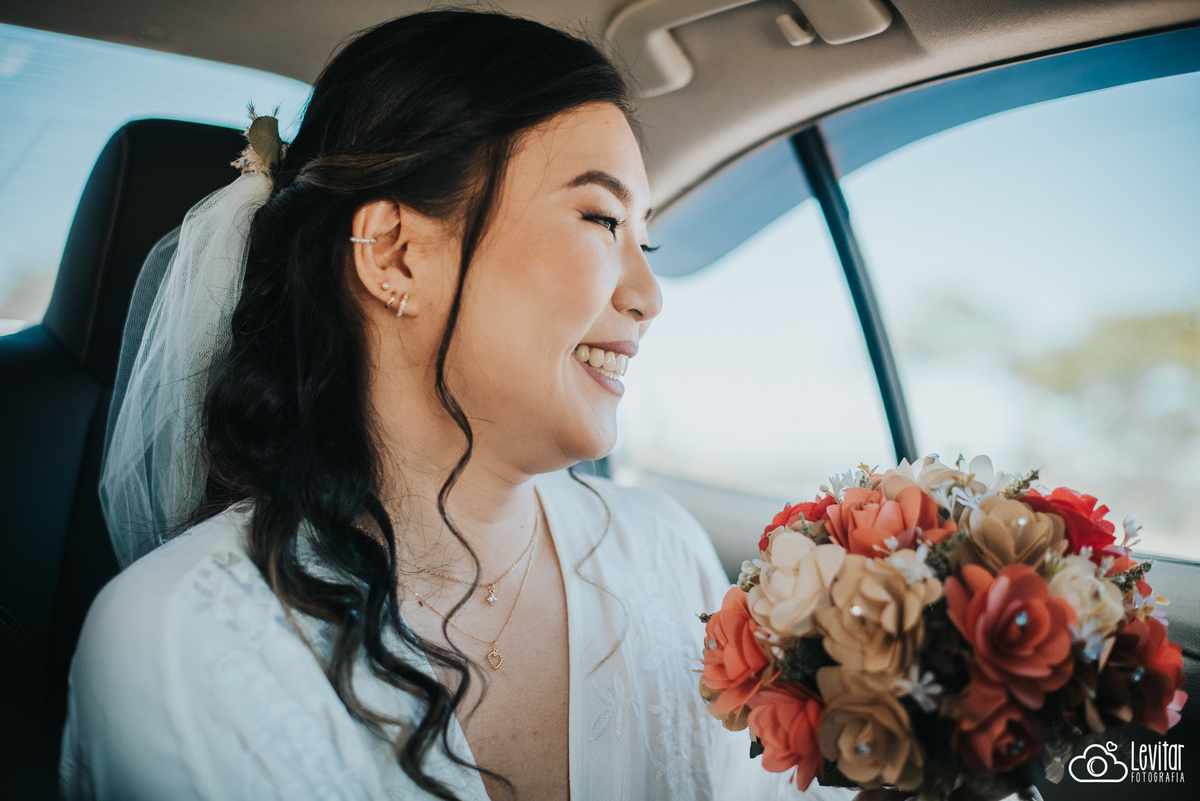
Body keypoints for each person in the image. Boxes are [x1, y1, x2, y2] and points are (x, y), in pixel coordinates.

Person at [60, 10, 852, 800]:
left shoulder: (667, 555)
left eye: (645, 241)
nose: (647, 297)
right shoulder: (180, 643)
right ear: (397, 256)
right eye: (602, 219)